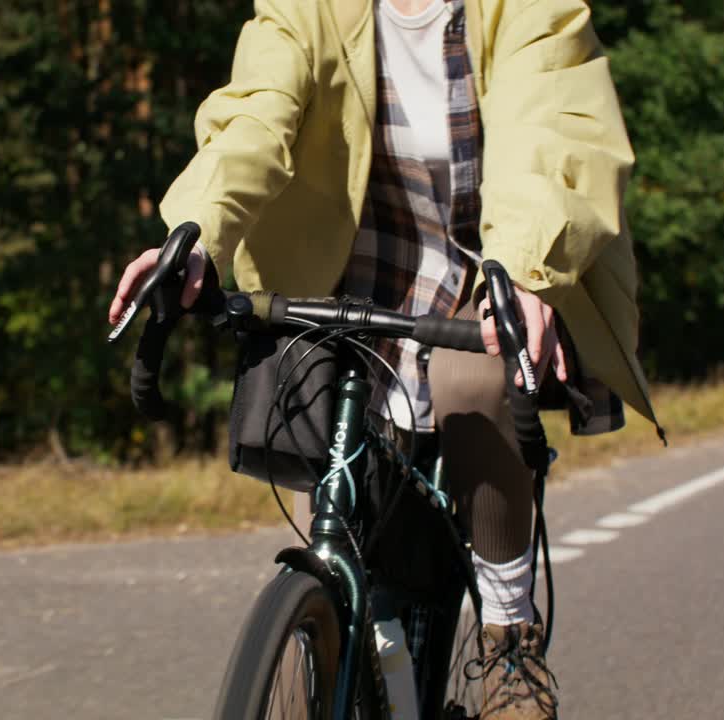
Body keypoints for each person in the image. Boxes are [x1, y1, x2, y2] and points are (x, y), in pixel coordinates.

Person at [108, 1, 662, 717]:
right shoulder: (304, 8)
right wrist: (197, 233)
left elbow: (549, 131)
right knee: (323, 458)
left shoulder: (527, 8)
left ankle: (507, 639)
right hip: (350, 280)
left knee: (471, 382)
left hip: (482, 274)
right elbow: (253, 117)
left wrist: (525, 267)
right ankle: (329, 630)